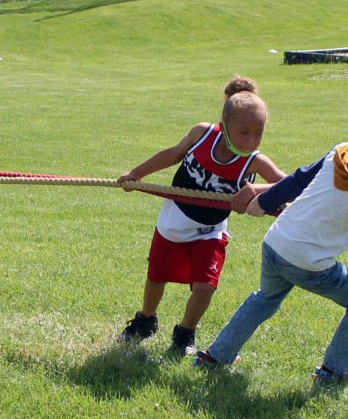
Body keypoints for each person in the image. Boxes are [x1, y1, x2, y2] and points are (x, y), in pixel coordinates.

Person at [196, 95, 348, 386]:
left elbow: (299, 180)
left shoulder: (341, 150)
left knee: (265, 298)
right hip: (308, 262)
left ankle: (215, 356)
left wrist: (264, 202)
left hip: (276, 243)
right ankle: (334, 372)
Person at [117, 76, 284, 356]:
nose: (252, 140)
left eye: (259, 133)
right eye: (244, 132)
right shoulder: (202, 134)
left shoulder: (254, 161)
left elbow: (288, 184)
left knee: (206, 286)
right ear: (224, 126)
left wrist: (256, 188)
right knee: (157, 277)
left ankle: (185, 332)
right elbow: (172, 154)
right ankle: (146, 320)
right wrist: (136, 174)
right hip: (174, 222)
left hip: (210, 229)